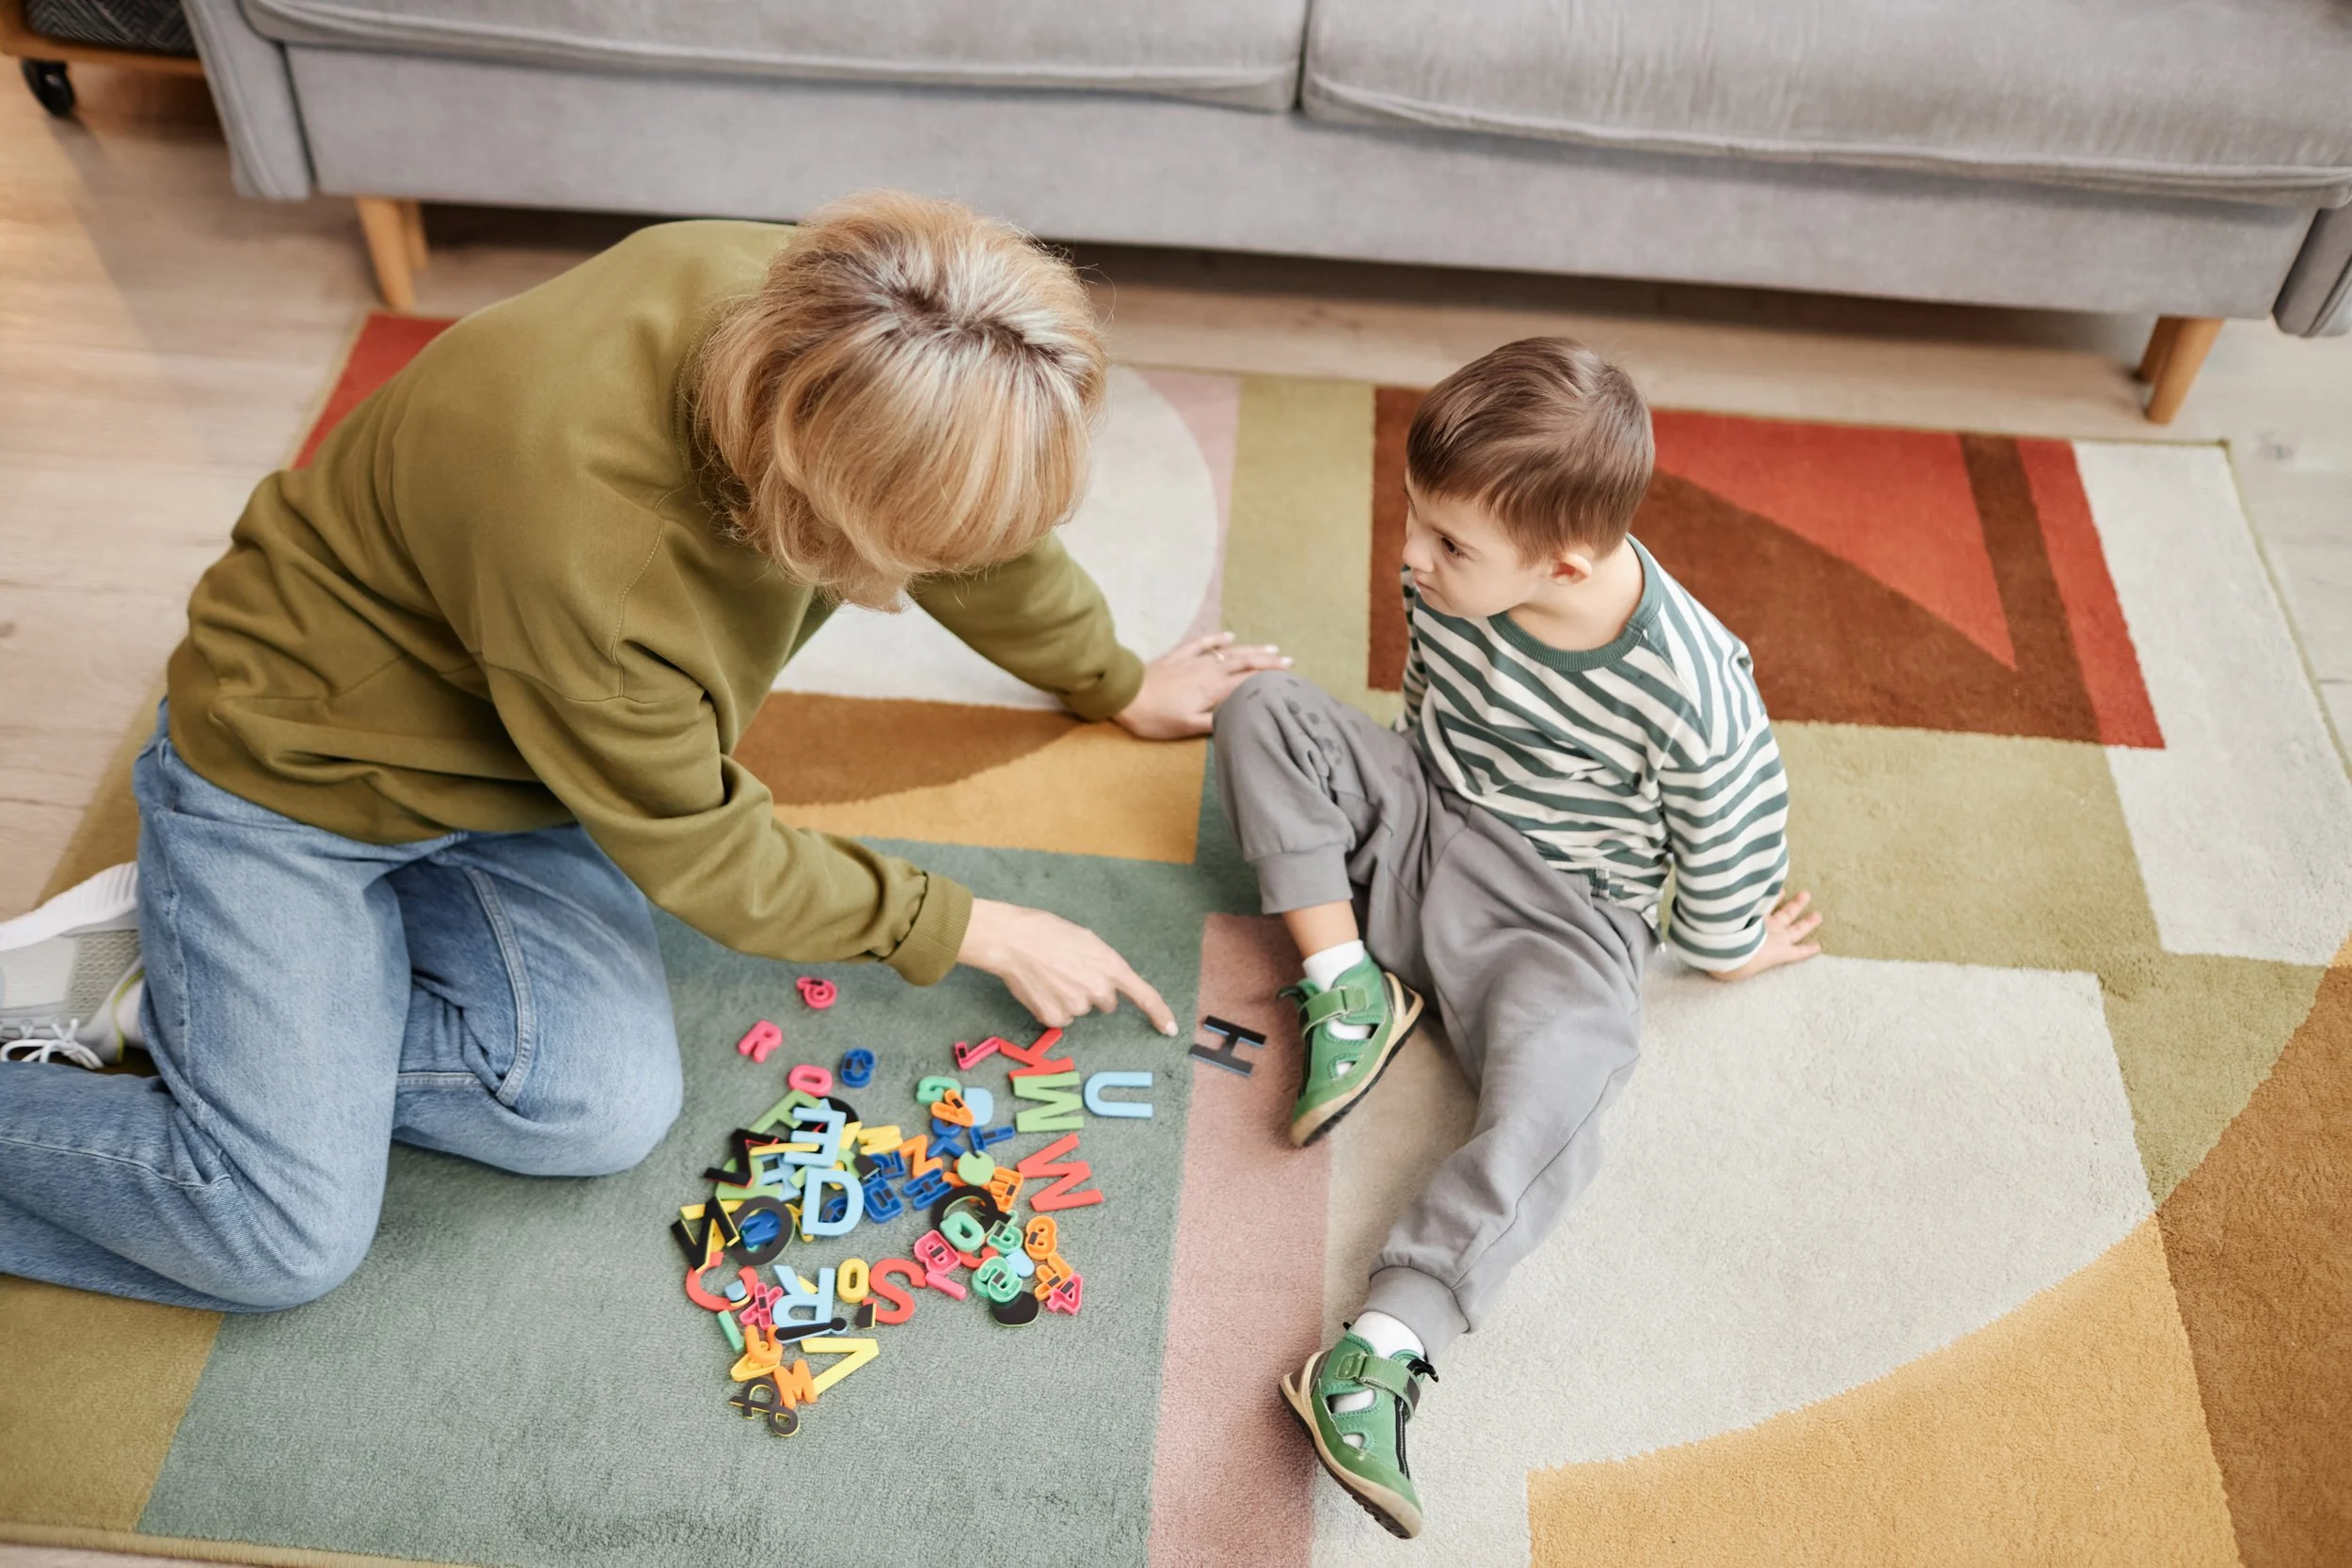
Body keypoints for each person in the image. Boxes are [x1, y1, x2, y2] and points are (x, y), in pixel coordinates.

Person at [0, 191, 1283, 1312]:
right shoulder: (605, 568)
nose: (946, 565)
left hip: (525, 778)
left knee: (595, 1106)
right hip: (294, 782)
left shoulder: (822, 301)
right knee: (275, 1232)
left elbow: (975, 533)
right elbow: (710, 852)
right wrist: (976, 924)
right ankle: (230, 1016)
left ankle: (217, 1013)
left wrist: (1111, 676)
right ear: (816, 495)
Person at [1211, 338, 1821, 1538]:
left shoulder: (1692, 686)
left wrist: (1725, 938)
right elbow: (1428, 707)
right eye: (1413, 520)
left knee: (1571, 1085)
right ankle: (1346, 988)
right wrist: (1386, 803)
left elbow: (1733, 817)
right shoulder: (1450, 577)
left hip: (1563, 912)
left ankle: (1380, 1350)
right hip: (1426, 815)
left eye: (1446, 544)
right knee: (1261, 709)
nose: (1408, 554)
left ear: (1563, 562)